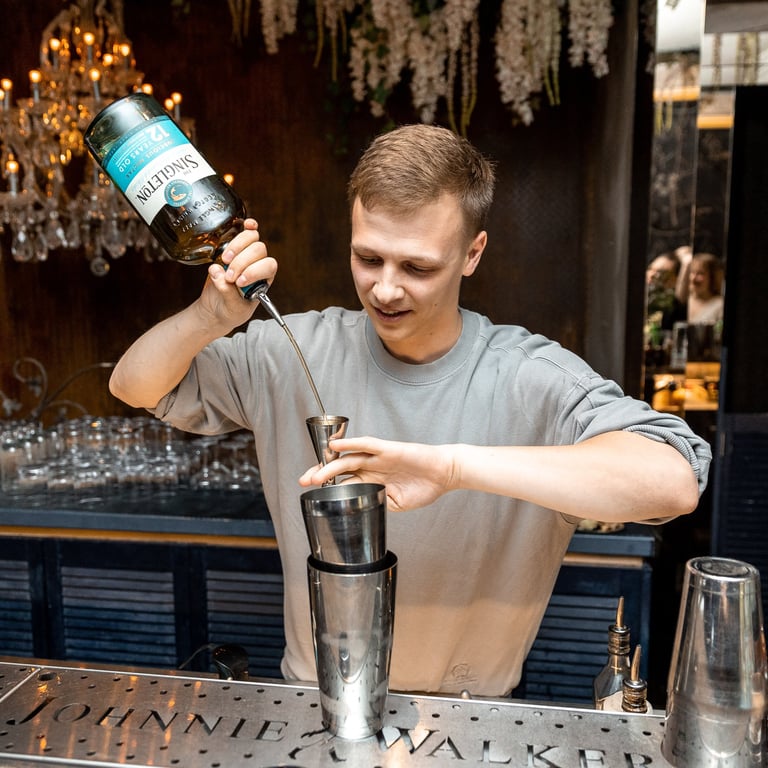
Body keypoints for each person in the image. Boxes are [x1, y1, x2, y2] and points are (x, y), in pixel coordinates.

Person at [109, 124, 711, 698]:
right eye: (368, 259)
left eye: (418, 267)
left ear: (472, 253)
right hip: (315, 701)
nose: (386, 289)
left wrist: (452, 468)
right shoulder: (291, 350)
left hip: (471, 716)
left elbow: (673, 481)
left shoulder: (529, 375)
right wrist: (209, 317)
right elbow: (134, 385)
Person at [646, 250, 686, 330]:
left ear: (676, 280)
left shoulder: (675, 308)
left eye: (661, 273)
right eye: (651, 269)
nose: (652, 275)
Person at [686, 251, 724, 325]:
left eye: (700, 273)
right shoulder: (683, 303)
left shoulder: (720, 306)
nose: (693, 278)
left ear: (713, 277)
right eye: (692, 272)